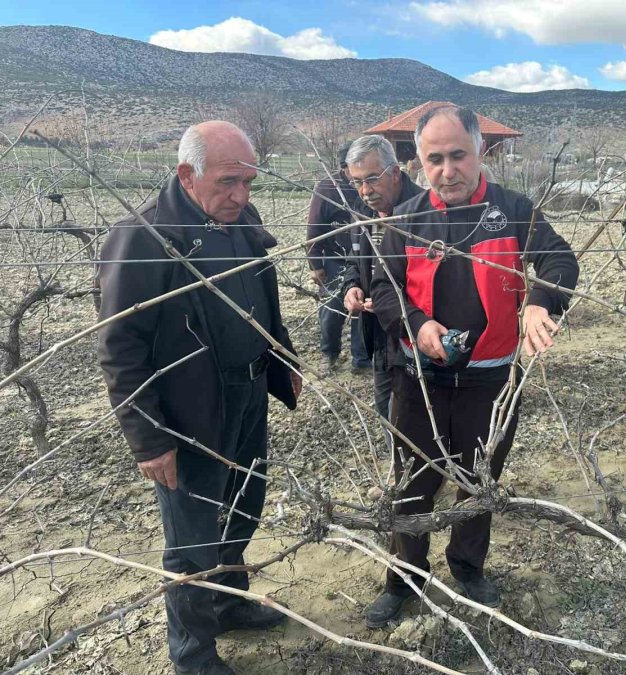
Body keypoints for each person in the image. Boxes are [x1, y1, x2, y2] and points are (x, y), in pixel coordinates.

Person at [97, 121, 302, 675]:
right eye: (229, 181)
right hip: (190, 415)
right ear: (188, 175)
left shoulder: (242, 221)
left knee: (243, 506)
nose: (242, 195)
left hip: (249, 391)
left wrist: (282, 360)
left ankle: (228, 602)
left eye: (249, 182)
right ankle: (193, 654)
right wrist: (149, 441)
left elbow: (261, 298)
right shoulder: (143, 237)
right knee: (191, 537)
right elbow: (121, 350)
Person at [366, 106, 579, 627]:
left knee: (479, 480)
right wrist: (417, 324)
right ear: (418, 163)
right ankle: (403, 579)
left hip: (491, 377)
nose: (447, 169)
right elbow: (382, 290)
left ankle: (467, 566)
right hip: (419, 380)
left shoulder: (512, 211)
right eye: (433, 159)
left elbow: (560, 260)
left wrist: (540, 302)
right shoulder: (406, 220)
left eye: (457, 155)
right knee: (412, 483)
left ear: (480, 152)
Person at [340, 135, 423, 433]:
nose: (365, 191)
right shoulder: (362, 214)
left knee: (414, 414)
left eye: (372, 179)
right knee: (385, 411)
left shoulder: (425, 212)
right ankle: (401, 472)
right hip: (378, 334)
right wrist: (352, 287)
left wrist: (393, 299)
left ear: (396, 173)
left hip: (415, 334)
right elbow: (354, 261)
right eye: (357, 182)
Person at [306, 146, 369, 371]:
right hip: (335, 258)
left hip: (363, 258)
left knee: (361, 309)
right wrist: (315, 265)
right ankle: (329, 354)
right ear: (345, 168)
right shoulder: (327, 188)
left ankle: (361, 359)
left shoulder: (367, 186)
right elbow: (314, 227)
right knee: (332, 310)